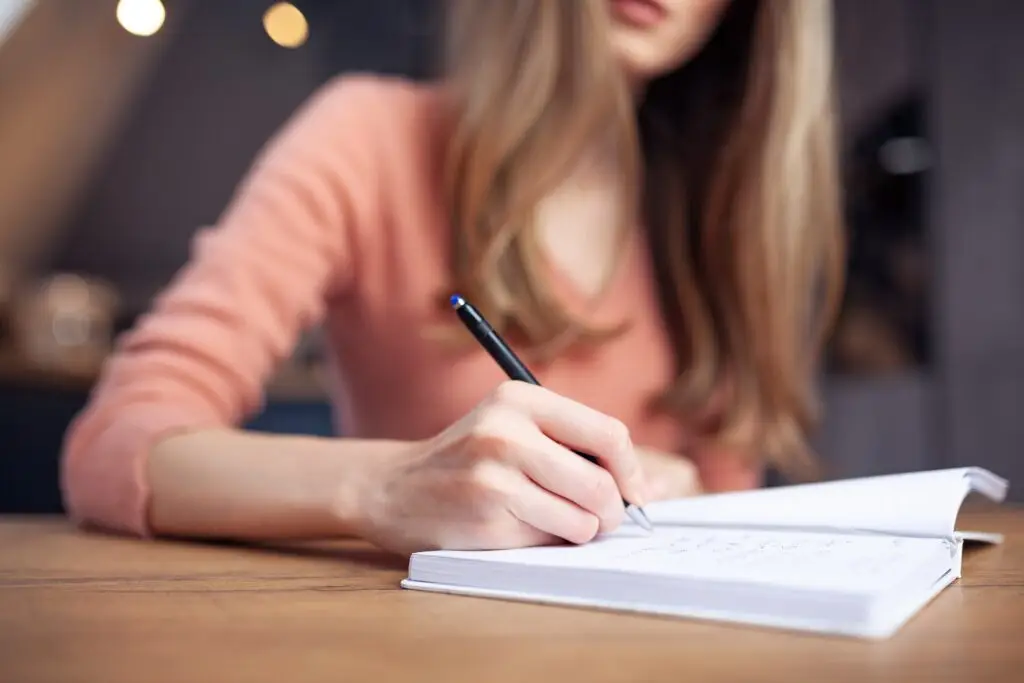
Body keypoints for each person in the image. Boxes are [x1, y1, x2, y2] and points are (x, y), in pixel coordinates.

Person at [60, 0, 843, 555]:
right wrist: (386, 487)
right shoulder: (367, 137)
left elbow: (728, 509)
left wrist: (702, 505)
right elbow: (115, 447)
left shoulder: (721, 222)